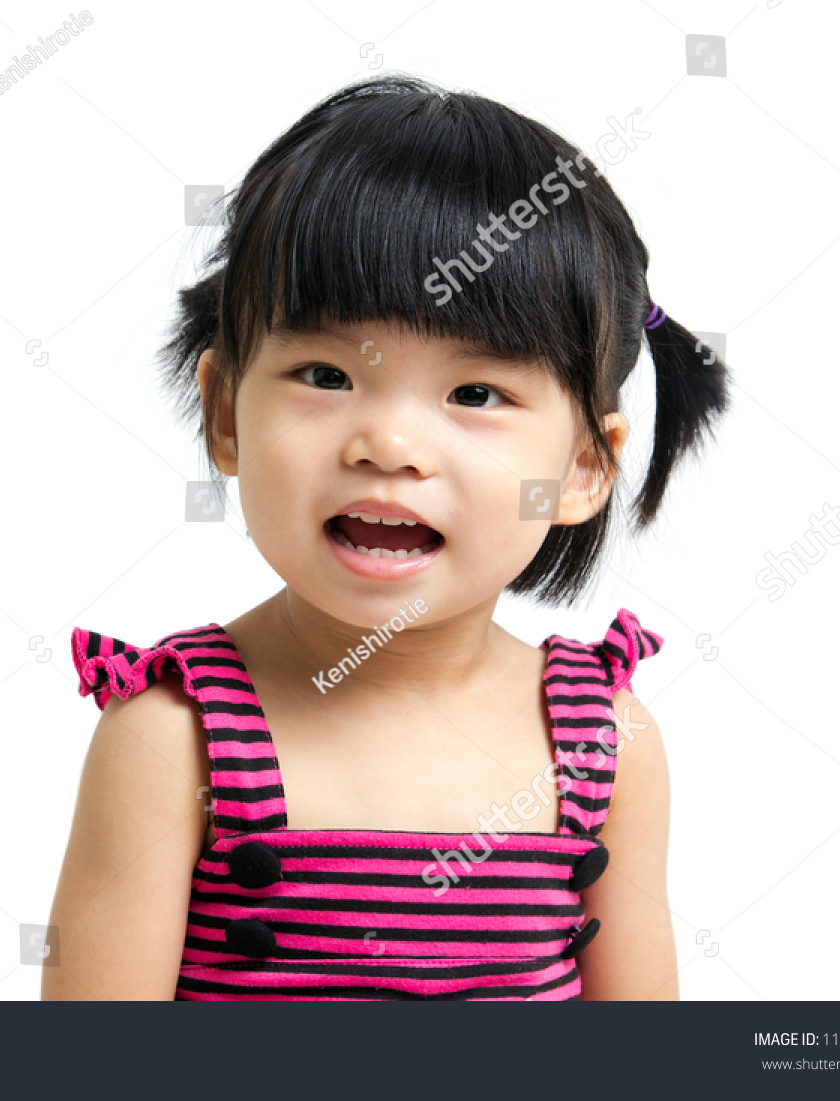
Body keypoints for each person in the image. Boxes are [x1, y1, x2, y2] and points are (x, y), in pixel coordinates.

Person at [43, 74, 729, 1000]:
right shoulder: (177, 740)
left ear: (581, 469)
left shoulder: (602, 742)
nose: (390, 445)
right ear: (225, 415)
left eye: (476, 394)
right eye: (326, 372)